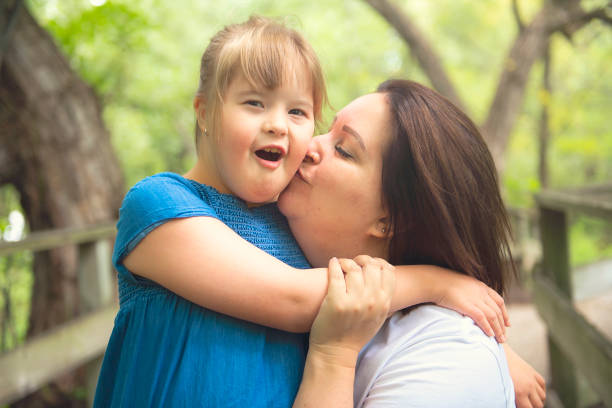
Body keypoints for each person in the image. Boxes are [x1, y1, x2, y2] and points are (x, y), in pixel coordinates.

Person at [94, 17, 509, 408]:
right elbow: (297, 297)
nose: (279, 125)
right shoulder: (160, 205)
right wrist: (438, 282)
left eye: (297, 112)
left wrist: (500, 352)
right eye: (254, 103)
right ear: (204, 111)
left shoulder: (289, 229)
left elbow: (357, 301)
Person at [288, 80, 547, 408]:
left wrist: (333, 355)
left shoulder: (450, 362)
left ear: (391, 220)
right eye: (326, 130)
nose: (308, 144)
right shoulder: (255, 224)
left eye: (342, 149)